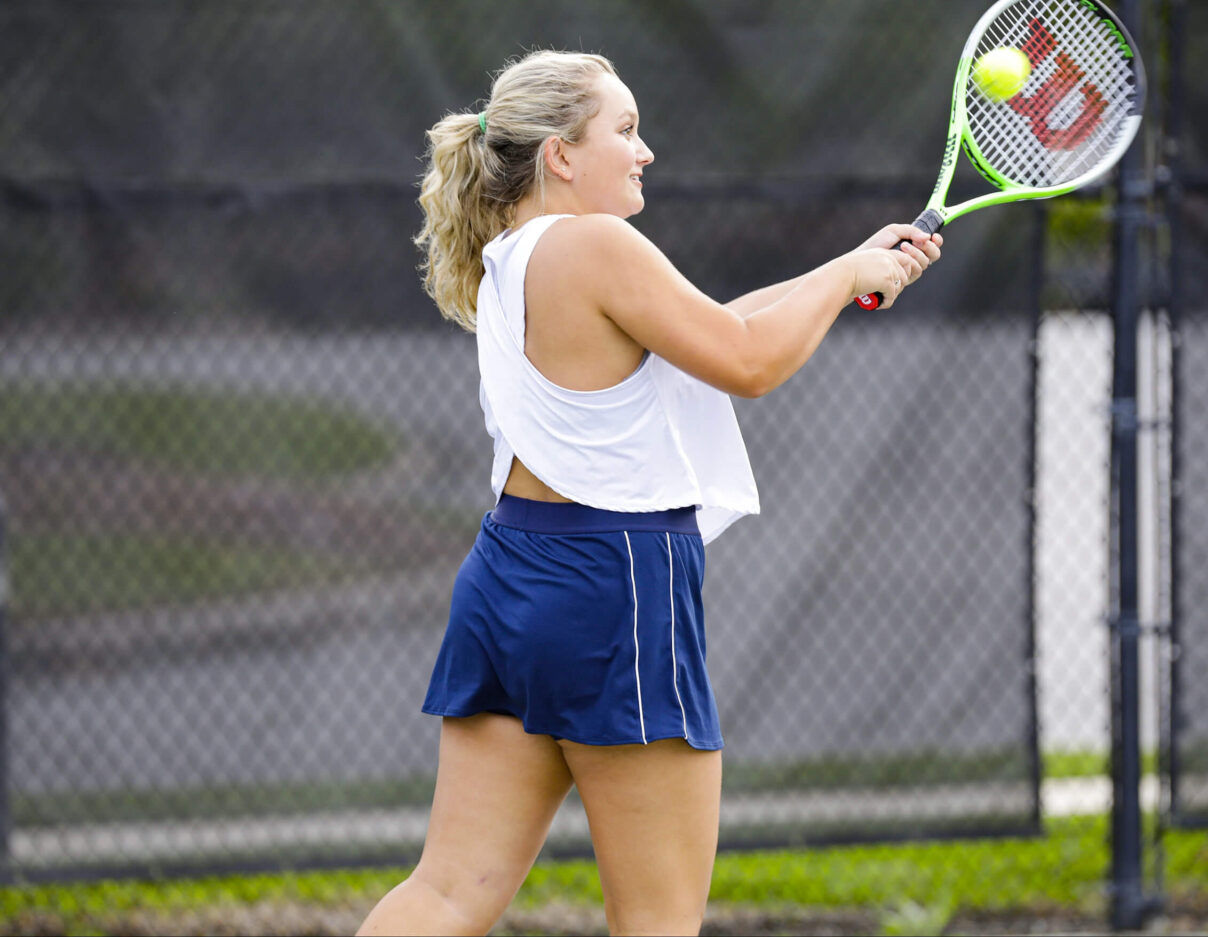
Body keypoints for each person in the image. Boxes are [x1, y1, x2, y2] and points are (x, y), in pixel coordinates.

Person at [357, 49, 942, 937]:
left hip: (509, 574)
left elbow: (716, 330)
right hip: (616, 583)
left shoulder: (514, 254)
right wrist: (841, 282)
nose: (646, 151)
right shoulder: (596, 242)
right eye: (624, 130)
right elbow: (747, 362)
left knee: (447, 892)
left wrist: (845, 265)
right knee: (659, 923)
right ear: (561, 154)